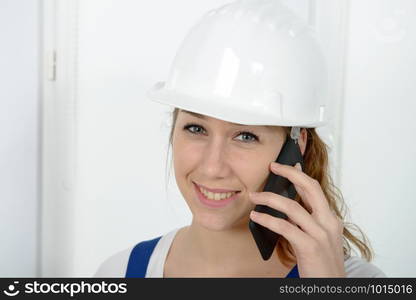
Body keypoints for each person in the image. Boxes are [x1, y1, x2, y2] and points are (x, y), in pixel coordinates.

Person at [94, 0, 386, 278]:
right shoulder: (120, 272)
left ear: (295, 147)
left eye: (245, 136)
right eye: (196, 128)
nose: (212, 168)